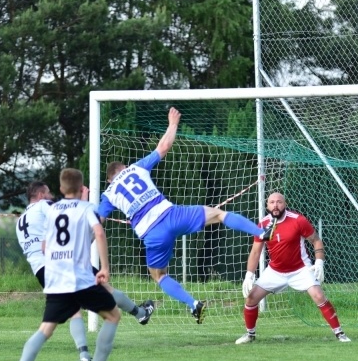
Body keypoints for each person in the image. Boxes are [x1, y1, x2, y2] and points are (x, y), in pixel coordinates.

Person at [98, 107, 275, 323]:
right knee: (218, 214)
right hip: (172, 215)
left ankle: (193, 304)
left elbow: (98, 224)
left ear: (109, 179)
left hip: (152, 234)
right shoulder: (136, 168)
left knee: (159, 275)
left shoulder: (108, 194)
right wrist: (172, 124)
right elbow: (163, 147)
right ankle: (261, 231)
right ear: (124, 168)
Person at [17, 180, 154, 361]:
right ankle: (141, 314)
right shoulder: (44, 205)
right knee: (107, 290)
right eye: (49, 193)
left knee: (74, 310)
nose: (51, 197)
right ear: (41, 195)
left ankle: (83, 354)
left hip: (41, 270)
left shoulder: (20, 221)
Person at [13, 168, 123, 361]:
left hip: (55, 279)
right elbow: (99, 233)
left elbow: (44, 245)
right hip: (79, 278)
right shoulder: (86, 208)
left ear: (62, 189)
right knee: (113, 315)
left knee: (45, 329)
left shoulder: (51, 211)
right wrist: (104, 267)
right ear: (80, 185)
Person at [236, 191, 351, 344]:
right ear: (267, 205)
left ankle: (339, 333)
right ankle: (250, 334)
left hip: (300, 269)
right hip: (275, 271)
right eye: (272, 202)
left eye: (279, 202)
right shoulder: (263, 225)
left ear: (285, 204)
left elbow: (316, 240)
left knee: (318, 295)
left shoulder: (298, 220)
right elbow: (256, 251)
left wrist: (319, 262)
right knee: (251, 298)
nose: (276, 205)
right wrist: (249, 275)